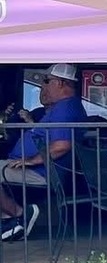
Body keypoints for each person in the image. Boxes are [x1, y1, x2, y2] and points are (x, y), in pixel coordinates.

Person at [0, 63, 86, 242]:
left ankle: (20, 215)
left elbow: (62, 145)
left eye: (47, 81)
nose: (42, 86)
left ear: (61, 83)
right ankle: (12, 224)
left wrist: (32, 160)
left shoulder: (67, 107)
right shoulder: (60, 108)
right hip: (31, 168)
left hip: (42, 173)